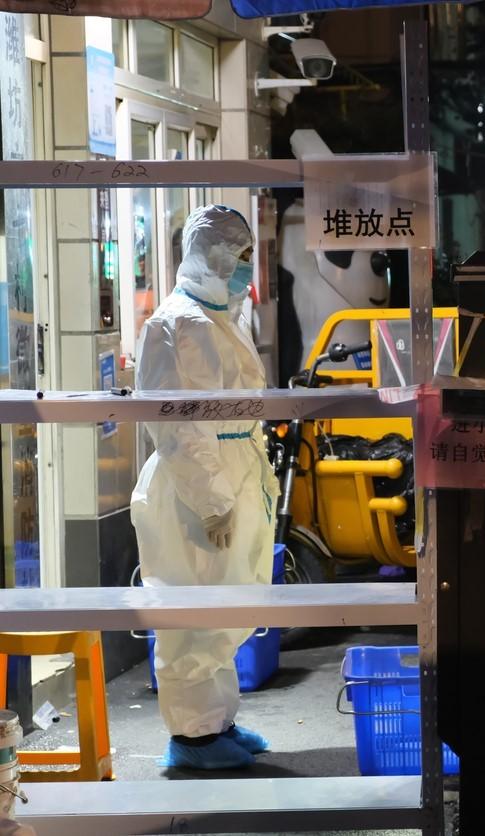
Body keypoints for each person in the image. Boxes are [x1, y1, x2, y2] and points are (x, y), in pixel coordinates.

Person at [131, 205, 279, 770]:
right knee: (194, 609)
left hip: (236, 472)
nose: (245, 267)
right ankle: (191, 737)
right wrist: (214, 500)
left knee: (231, 603)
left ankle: (217, 722)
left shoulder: (224, 316)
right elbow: (177, 426)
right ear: (211, 255)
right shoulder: (173, 323)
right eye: (238, 255)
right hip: (199, 489)